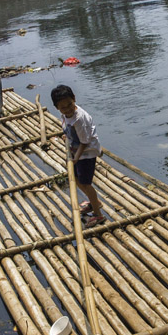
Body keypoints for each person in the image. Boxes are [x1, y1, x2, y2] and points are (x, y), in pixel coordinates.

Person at [50, 84, 105, 228]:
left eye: (69, 105)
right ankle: (94, 202)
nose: (67, 109)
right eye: (63, 107)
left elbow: (85, 142)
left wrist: (75, 158)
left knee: (86, 183)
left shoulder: (79, 119)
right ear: (57, 108)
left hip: (86, 153)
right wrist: (67, 136)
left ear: (74, 99)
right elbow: (68, 127)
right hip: (77, 150)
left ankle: (98, 214)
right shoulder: (65, 114)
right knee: (75, 178)